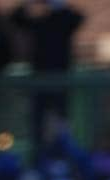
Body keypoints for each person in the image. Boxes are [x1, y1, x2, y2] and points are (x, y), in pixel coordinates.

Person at [9, 0, 84, 146]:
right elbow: (15, 18)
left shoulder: (63, 22)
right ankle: (39, 154)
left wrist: (59, 5)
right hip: (39, 79)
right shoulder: (37, 23)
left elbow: (78, 18)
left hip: (61, 79)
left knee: (61, 118)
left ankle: (62, 152)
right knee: (38, 119)